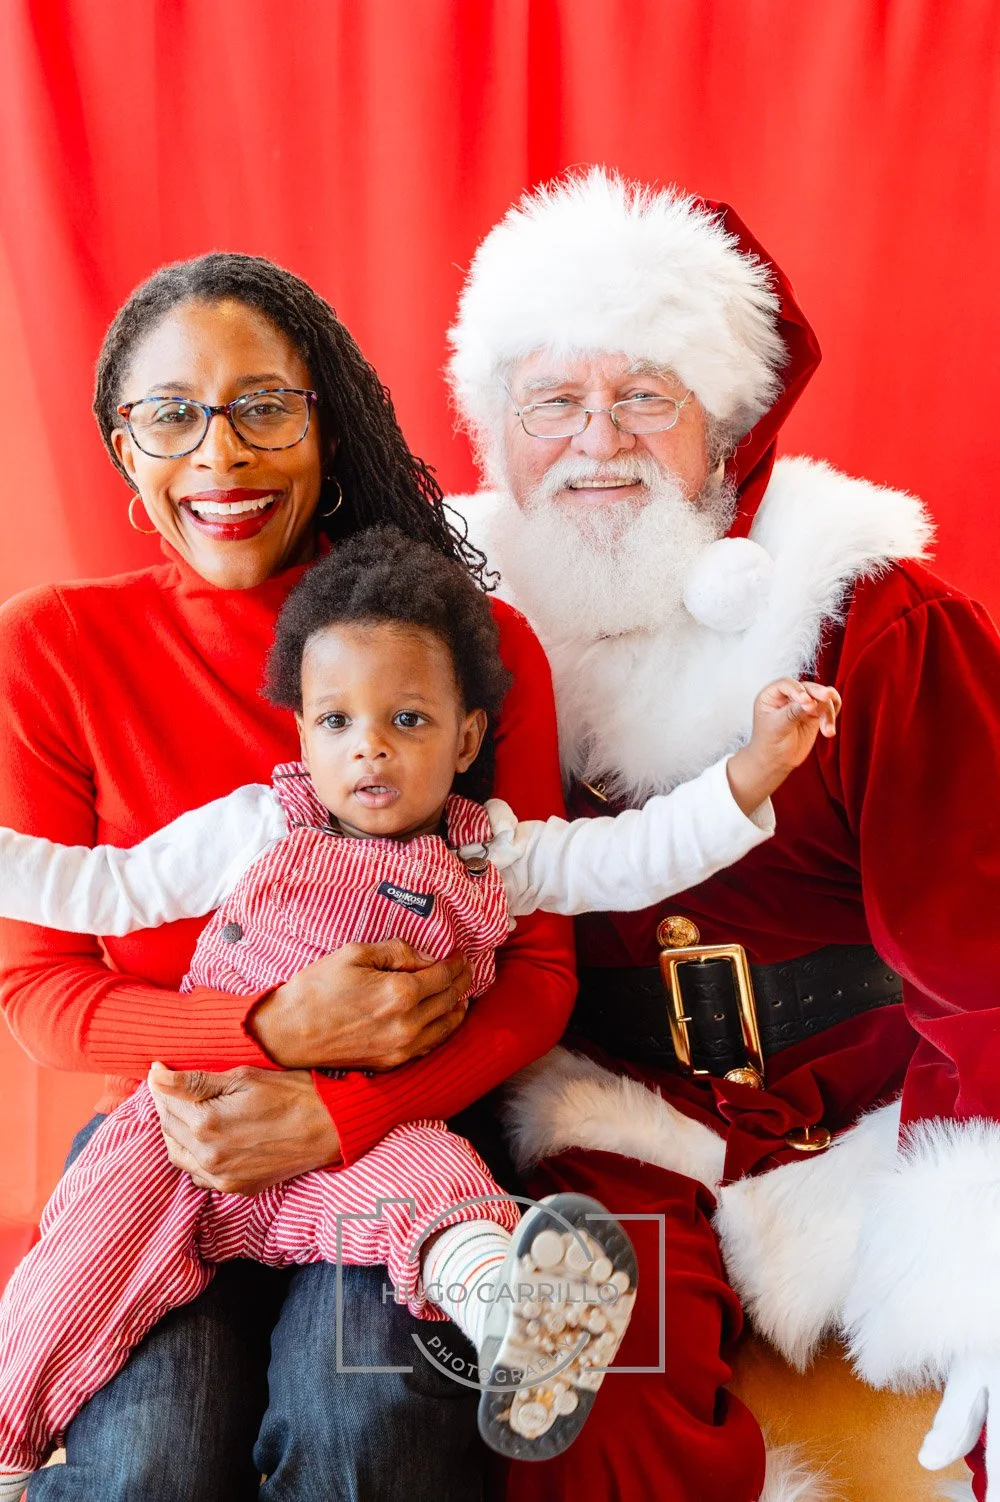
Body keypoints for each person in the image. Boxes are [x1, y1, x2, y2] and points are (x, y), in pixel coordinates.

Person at [0, 523, 841, 1498]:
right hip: (194, 1124)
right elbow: (104, 889)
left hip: (357, 1139)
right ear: (303, 730)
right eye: (337, 722)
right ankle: (11, 1443)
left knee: (440, 1187)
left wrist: (753, 770)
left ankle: (520, 1323)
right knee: (83, 1262)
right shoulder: (256, 824)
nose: (369, 750)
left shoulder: (497, 853)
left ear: (467, 736)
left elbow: (640, 852)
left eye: (406, 720)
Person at [445, 168, 1000, 1501]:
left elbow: (987, 971)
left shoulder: (872, 620)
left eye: (645, 395)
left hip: (883, 1117)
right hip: (608, 1125)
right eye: (554, 401)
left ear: (728, 423)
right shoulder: (437, 640)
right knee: (575, 1405)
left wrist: (979, 1243)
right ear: (499, 428)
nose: (597, 441)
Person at [0, 251, 579, 1502]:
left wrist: (341, 1110)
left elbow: (537, 971)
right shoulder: (52, 647)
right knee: (150, 1457)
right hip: (176, 1140)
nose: (222, 453)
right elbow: (38, 989)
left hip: (409, 1134)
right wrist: (258, 1029)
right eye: (173, 413)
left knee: (361, 1432)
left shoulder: (461, 648)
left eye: (264, 405)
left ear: (325, 417)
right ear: (121, 445)